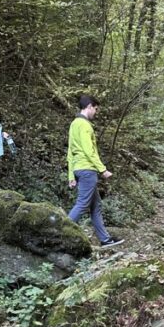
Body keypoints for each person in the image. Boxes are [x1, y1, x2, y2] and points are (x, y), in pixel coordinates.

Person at [67, 93, 123, 248]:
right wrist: (102, 170)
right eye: (96, 109)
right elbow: (89, 150)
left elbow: (70, 152)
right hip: (87, 170)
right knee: (82, 204)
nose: (96, 113)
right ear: (89, 106)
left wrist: (71, 175)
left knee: (95, 205)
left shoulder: (74, 124)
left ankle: (105, 239)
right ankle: (58, 233)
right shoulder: (85, 125)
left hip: (79, 169)